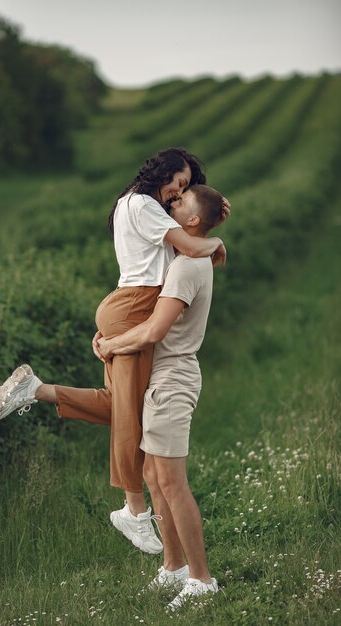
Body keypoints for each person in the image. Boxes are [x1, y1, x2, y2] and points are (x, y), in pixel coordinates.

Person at [0, 148, 229, 554]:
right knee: (130, 416)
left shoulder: (134, 204)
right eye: (179, 183)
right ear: (164, 171)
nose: (177, 192)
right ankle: (134, 511)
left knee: (120, 405)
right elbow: (191, 246)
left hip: (128, 304)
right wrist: (217, 238)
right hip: (137, 305)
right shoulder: (143, 204)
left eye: (186, 190)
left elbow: (186, 239)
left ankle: (36, 390)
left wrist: (209, 217)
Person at [96, 184, 223, 610]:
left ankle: (202, 579)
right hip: (162, 378)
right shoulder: (186, 256)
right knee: (153, 476)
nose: (171, 203)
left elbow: (154, 331)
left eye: (180, 203)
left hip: (172, 380)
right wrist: (216, 235)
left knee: (171, 482)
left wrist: (112, 345)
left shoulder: (188, 268)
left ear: (190, 223)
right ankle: (173, 568)